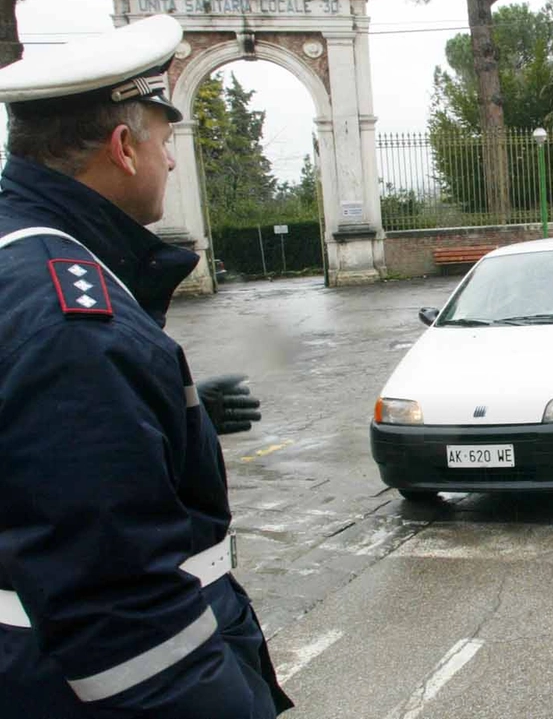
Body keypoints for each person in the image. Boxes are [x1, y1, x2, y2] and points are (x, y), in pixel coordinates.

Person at [0, 16, 291, 717]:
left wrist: (171, 416)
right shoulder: (74, 317)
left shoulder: (26, 261)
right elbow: (125, 622)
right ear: (124, 148)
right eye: (164, 140)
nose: (170, 160)